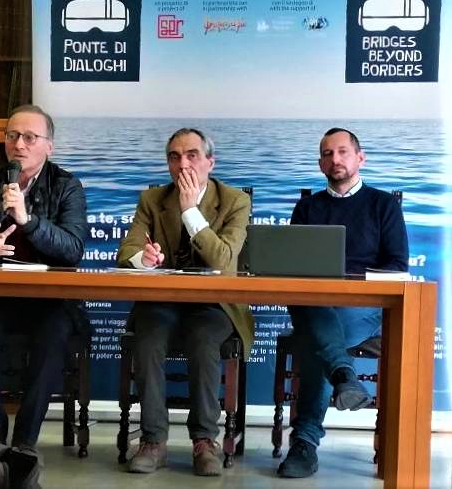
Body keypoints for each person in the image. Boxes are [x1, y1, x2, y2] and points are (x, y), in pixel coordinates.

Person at [0, 104, 88, 450]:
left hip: (51, 302)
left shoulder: (67, 185)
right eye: (12, 136)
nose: (19, 144)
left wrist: (29, 221)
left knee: (54, 334)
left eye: (29, 137)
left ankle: (25, 440)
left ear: (49, 146)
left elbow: (73, 249)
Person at [117, 127, 253, 476]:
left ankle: (204, 440)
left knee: (204, 340)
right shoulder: (152, 199)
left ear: (210, 162)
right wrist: (144, 259)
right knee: (148, 338)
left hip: (214, 304)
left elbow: (223, 260)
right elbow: (126, 252)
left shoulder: (235, 201)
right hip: (162, 300)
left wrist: (191, 211)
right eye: (174, 157)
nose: (183, 164)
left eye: (192, 155)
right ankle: (153, 441)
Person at [278, 127, 409, 478]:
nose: (334, 159)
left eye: (342, 152)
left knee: (317, 339)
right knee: (316, 314)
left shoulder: (383, 205)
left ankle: (304, 443)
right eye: (326, 154)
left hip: (361, 308)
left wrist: (353, 283)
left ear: (359, 158)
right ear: (320, 163)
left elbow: (398, 266)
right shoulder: (307, 207)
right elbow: (288, 265)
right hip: (312, 302)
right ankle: (344, 375)